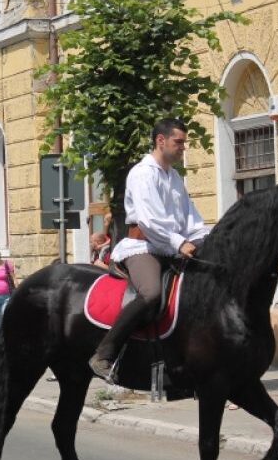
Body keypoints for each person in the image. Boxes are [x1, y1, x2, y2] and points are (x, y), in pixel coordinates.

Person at [88, 118, 210, 382]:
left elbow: (190, 218)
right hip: (143, 246)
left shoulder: (174, 177)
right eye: (179, 142)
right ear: (160, 141)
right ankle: (104, 353)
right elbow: (149, 221)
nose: (183, 147)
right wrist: (179, 242)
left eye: (184, 142)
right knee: (152, 292)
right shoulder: (142, 174)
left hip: (172, 248)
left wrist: (206, 237)